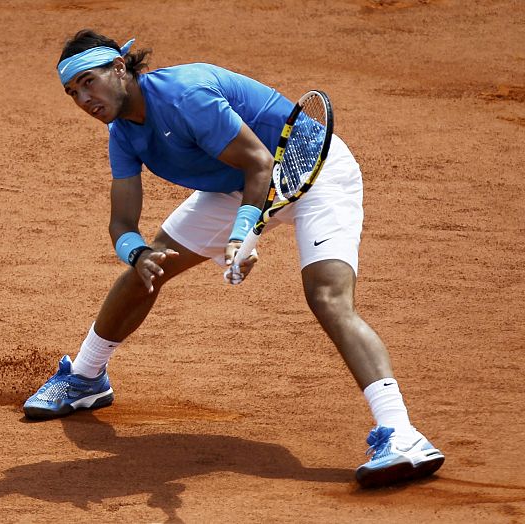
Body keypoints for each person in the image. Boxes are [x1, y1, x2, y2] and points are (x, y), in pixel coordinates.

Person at [23, 29, 445, 488]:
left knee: (327, 297)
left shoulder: (185, 96)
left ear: (120, 69)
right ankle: (86, 379)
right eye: (73, 92)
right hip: (235, 187)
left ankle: (401, 434)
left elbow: (260, 163)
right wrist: (139, 252)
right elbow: (121, 223)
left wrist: (245, 233)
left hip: (312, 172)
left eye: (89, 81)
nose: (84, 98)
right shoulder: (122, 134)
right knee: (148, 271)